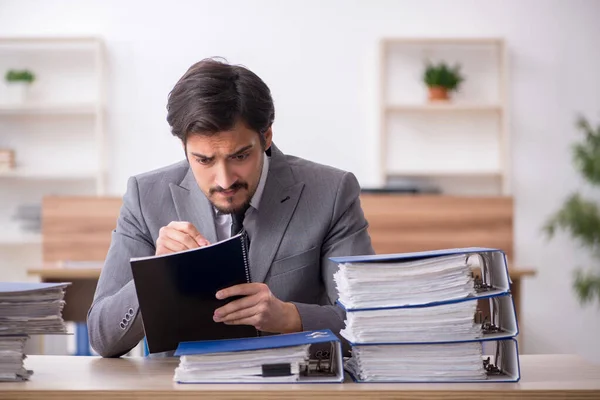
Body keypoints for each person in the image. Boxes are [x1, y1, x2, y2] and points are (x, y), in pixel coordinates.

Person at [87, 58, 375, 358]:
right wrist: (154, 276)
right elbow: (102, 337)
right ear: (183, 146)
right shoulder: (145, 197)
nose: (224, 180)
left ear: (266, 136)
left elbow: (366, 318)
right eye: (204, 160)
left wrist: (291, 317)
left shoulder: (331, 192)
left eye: (239, 156)